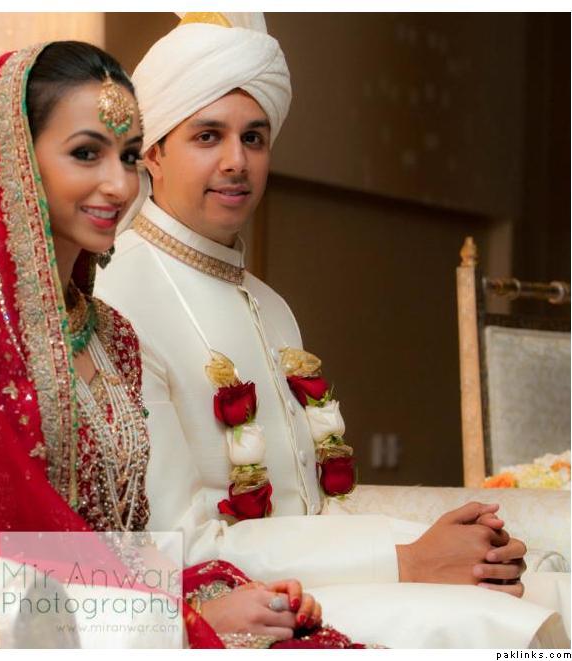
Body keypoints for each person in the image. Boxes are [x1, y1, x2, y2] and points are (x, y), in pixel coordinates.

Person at [0, 40, 355, 649]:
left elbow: (126, 542)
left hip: (123, 619)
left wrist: (212, 599)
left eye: (127, 156)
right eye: (85, 154)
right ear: (18, 160)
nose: (118, 184)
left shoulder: (110, 336)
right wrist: (183, 623)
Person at [94, 13, 569, 648]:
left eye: (254, 138)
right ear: (152, 152)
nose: (236, 161)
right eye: (208, 136)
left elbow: (312, 510)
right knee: (503, 624)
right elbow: (179, 545)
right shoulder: (118, 296)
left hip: (324, 579)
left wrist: (452, 548)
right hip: (238, 599)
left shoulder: (270, 305)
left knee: (549, 590)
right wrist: (408, 560)